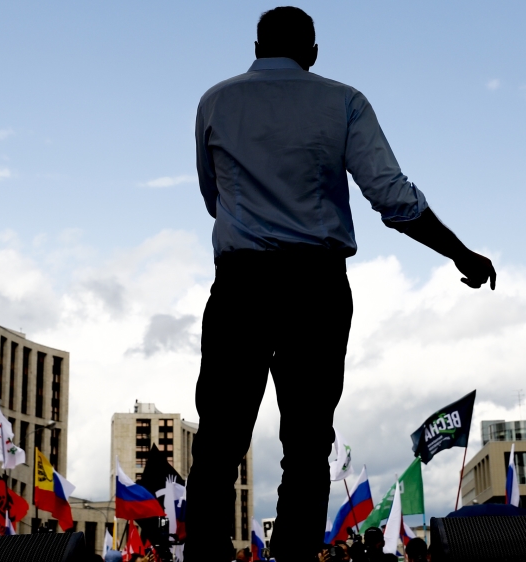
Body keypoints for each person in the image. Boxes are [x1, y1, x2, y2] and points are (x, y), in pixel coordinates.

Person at [183, 6, 496, 562]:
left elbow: (214, 199)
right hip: (315, 288)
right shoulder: (344, 101)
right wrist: (457, 251)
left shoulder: (215, 101)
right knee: (306, 446)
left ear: (255, 46)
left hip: (240, 286)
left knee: (219, 440)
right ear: (314, 52)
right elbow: (392, 197)